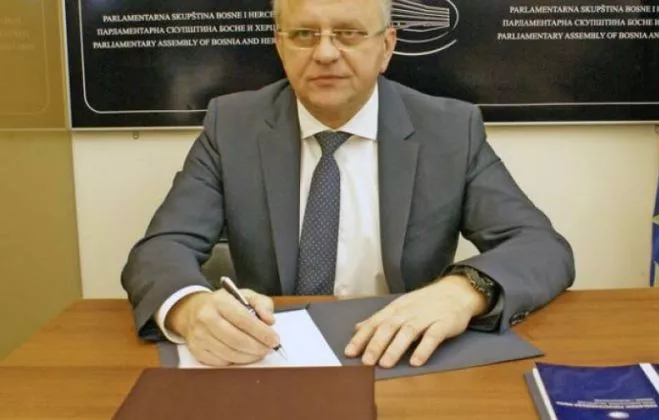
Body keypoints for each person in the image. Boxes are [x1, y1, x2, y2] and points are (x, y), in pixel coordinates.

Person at [121, 0, 574, 369]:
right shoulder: (232, 125)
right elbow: (161, 248)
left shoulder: (450, 130)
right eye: (304, 34)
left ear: (386, 46)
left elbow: (541, 247)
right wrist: (190, 309)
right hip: (271, 357)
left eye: (349, 33)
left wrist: (462, 291)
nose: (325, 53)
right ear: (280, 46)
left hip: (402, 359)